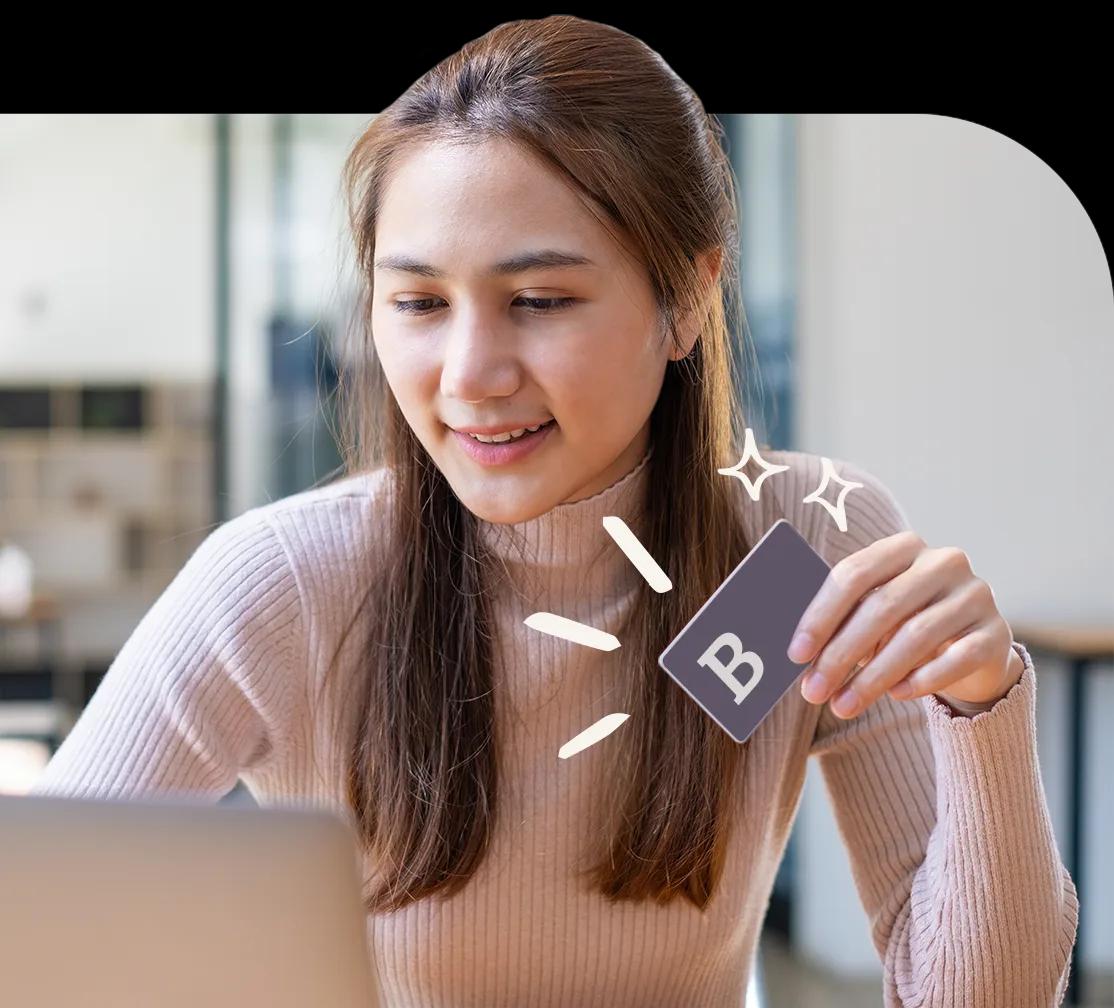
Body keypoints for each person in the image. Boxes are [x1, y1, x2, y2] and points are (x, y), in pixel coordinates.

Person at [30, 17, 1077, 1006]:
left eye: (538, 301)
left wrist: (979, 706)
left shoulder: (791, 555)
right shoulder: (286, 582)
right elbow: (36, 931)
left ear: (686, 300)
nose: (469, 376)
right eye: (419, 303)